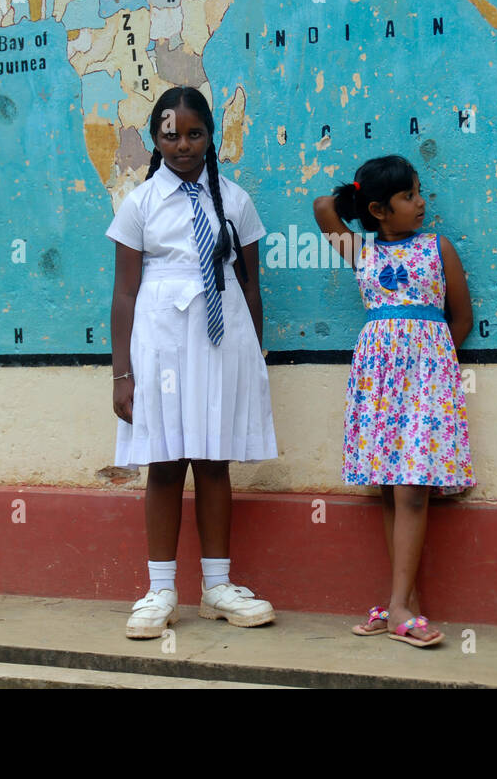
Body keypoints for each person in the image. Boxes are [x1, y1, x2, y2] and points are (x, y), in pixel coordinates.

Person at [107, 85, 276, 639]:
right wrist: (122, 374)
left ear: (211, 136)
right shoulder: (140, 205)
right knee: (164, 461)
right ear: (155, 138)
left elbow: (250, 288)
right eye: (169, 134)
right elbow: (125, 294)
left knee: (212, 459)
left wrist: (253, 356)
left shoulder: (236, 201)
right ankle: (160, 589)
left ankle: (217, 586)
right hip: (160, 342)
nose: (182, 145)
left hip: (221, 340)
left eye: (194, 133)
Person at [312, 154, 476, 647]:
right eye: (409, 196)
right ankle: (405, 604)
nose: (421, 202)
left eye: (419, 191)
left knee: (412, 489)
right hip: (379, 383)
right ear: (380, 210)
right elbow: (323, 207)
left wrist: (435, 369)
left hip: (428, 380)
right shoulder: (362, 253)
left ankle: (400, 606)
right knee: (390, 488)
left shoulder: (436, 247)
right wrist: (355, 196)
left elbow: (461, 317)